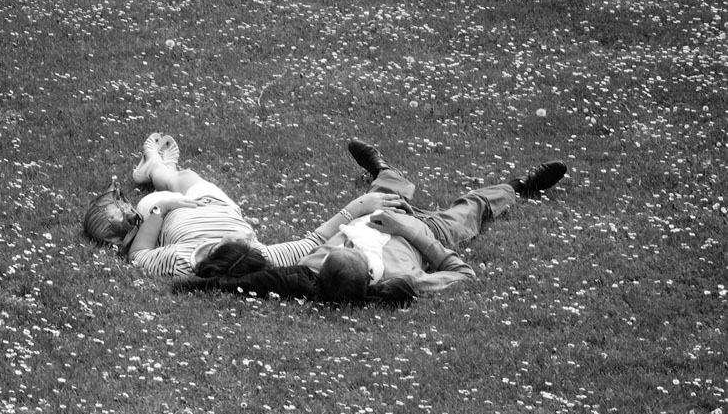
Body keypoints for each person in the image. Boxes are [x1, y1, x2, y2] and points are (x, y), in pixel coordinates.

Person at [172, 140, 567, 304]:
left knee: (387, 187)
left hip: (379, 212)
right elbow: (464, 275)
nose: (341, 245)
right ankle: (521, 185)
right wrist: (412, 232)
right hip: (430, 232)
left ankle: (382, 169)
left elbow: (249, 283)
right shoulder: (405, 279)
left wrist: (194, 282)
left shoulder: (305, 275)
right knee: (474, 206)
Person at [122, 133, 409, 277]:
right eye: (247, 238)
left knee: (177, 181)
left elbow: (138, 254)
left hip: (168, 210)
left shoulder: (179, 259)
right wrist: (358, 205)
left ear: (213, 250)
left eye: (240, 238)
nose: (248, 235)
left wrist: (166, 207)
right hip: (219, 205)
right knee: (188, 177)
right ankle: (164, 171)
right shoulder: (260, 256)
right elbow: (314, 241)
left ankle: (154, 167)